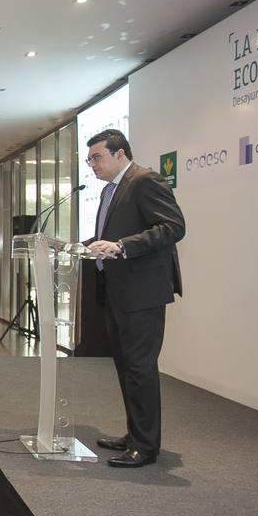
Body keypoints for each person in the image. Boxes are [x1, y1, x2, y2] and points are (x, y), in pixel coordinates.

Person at [85, 128, 186, 468]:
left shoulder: (145, 181)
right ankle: (136, 433)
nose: (92, 164)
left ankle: (145, 445)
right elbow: (108, 235)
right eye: (89, 159)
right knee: (127, 367)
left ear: (120, 154)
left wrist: (123, 247)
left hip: (142, 292)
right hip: (118, 291)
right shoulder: (109, 192)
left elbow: (172, 227)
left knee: (140, 368)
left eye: (96, 157)